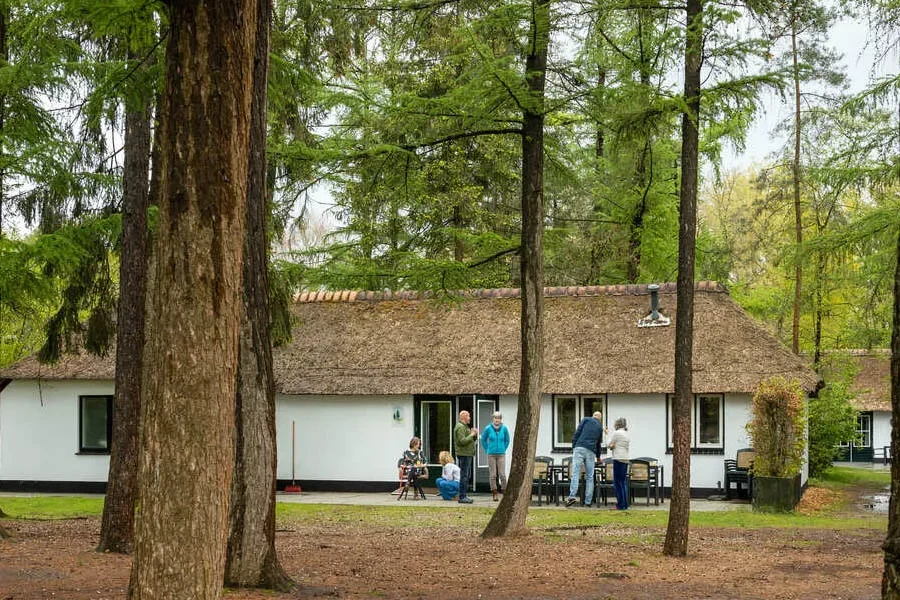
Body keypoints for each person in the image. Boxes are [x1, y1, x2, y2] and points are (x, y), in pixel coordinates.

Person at [565, 411, 604, 507]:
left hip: (579, 448)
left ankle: (572, 497)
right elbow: (598, 444)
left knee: (575, 473)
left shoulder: (586, 419)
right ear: (599, 419)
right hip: (591, 451)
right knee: (590, 476)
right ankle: (588, 501)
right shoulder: (599, 427)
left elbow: (577, 432)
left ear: (593, 416)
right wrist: (598, 457)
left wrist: (574, 446)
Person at [480, 411, 510, 501]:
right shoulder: (488, 428)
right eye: (495, 418)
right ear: (493, 419)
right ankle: (494, 493)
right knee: (493, 475)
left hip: (501, 454)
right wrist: (487, 449)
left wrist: (503, 448)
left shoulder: (504, 428)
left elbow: (507, 440)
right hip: (491, 454)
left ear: (501, 419)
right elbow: (483, 439)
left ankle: (504, 492)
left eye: (498, 418)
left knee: (502, 474)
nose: (497, 420)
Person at [453, 410, 478, 504]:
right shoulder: (460, 427)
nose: (470, 418)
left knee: (467, 475)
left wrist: (474, 434)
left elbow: (470, 440)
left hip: (467, 454)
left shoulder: (465, 427)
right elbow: (461, 441)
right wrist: (471, 434)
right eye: (468, 416)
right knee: (464, 476)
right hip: (463, 454)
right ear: (463, 417)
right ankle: (462, 496)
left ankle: (464, 495)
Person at [608, 417, 631, 510]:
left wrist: (606, 434)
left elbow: (609, 444)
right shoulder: (626, 434)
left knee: (617, 483)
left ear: (617, 424)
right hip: (625, 458)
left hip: (618, 458)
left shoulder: (617, 433)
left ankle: (620, 505)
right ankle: (625, 504)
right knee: (623, 482)